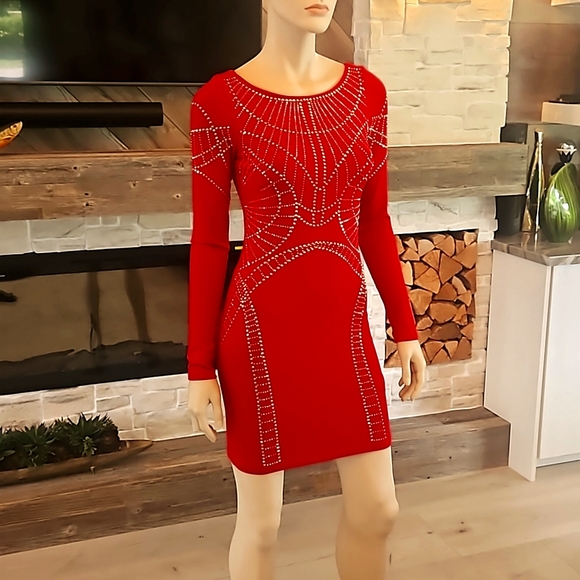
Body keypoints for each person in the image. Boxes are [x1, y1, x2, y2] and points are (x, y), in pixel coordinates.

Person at [187, 1, 426, 578]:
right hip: (260, 334)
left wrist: (405, 328)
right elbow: (210, 242)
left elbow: (373, 221)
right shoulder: (218, 102)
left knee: (379, 510)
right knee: (262, 526)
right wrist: (199, 367)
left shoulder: (368, 94)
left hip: (343, 330)